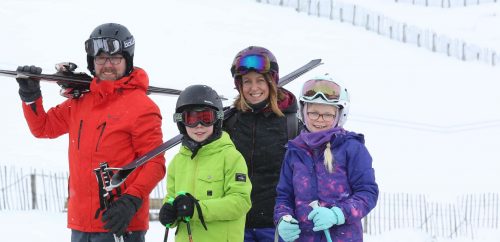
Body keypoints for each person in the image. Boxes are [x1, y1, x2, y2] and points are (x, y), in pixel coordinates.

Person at [15, 23, 166, 242]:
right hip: (80, 224)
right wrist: (30, 97)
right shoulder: (80, 101)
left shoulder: (142, 107)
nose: (107, 65)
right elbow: (43, 127)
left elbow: (155, 164)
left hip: (119, 223)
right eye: (101, 58)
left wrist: (131, 200)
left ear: (127, 60)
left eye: (115, 58)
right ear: (92, 62)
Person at [274, 75, 379, 242]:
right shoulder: (295, 151)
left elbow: (368, 193)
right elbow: (284, 196)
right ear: (303, 112)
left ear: (339, 115)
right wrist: (283, 218)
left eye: (327, 114)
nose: (319, 120)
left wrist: (338, 214)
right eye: (313, 112)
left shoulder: (352, 148)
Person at [224, 46, 301, 242]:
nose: (253, 88)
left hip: (277, 227)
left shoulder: (292, 124)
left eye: (260, 80)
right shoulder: (229, 122)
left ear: (271, 82)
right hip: (236, 225)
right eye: (246, 81)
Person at [158, 84, 252, 241]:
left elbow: (240, 202)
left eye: (206, 118)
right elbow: (172, 197)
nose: (199, 125)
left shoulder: (231, 157)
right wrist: (169, 211)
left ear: (217, 119)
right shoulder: (177, 162)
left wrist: (198, 209)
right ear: (182, 122)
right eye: (192, 119)